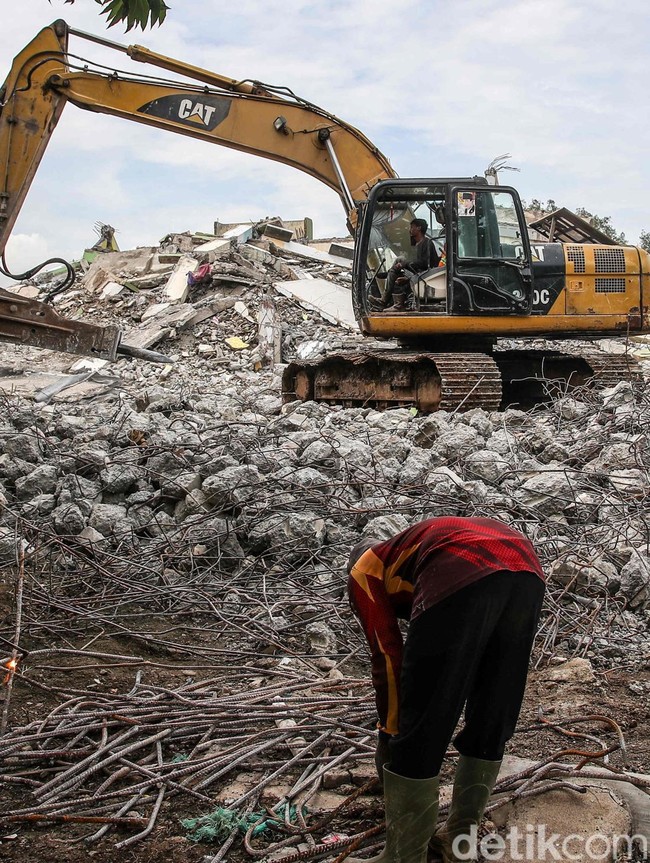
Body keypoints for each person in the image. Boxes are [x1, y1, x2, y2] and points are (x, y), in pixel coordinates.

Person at [346, 516, 545, 863]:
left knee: (425, 717)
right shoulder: (415, 546)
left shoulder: (364, 571)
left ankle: (404, 856)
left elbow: (387, 657)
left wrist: (391, 733)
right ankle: (460, 839)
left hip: (459, 568)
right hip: (526, 567)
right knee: (493, 705)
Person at [381, 218, 440, 311]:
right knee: (398, 262)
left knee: (400, 263)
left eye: (412, 227)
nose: (410, 230)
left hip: (424, 273)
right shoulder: (414, 243)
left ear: (419, 228)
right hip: (414, 270)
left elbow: (425, 263)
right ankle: (386, 297)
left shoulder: (427, 243)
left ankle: (393, 302)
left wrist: (406, 264)